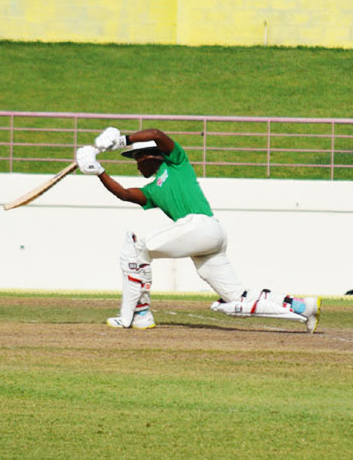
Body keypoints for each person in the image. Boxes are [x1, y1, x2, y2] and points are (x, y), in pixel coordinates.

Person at [76, 127, 319, 331]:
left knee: (136, 248)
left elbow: (157, 134)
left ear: (153, 156)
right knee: (236, 297)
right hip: (207, 236)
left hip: (201, 226)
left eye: (138, 159)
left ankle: (136, 316)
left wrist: (122, 141)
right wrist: (99, 172)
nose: (137, 167)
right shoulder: (152, 191)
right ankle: (303, 308)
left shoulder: (177, 163)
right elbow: (126, 194)